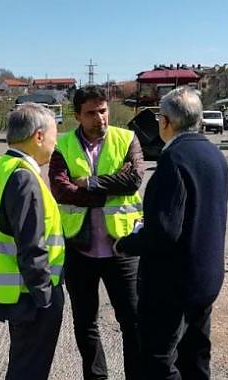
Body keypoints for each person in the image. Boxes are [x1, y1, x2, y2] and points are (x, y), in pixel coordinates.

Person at [115, 86, 228, 380]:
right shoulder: (215, 156)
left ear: (165, 122)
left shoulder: (173, 160)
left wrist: (126, 243)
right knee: (196, 356)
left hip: (173, 285)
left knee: (160, 361)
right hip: (206, 277)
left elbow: (164, 233)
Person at [48, 85, 145, 380]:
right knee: (85, 323)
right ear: (78, 115)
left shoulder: (126, 138)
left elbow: (133, 179)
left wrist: (88, 184)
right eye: (91, 113)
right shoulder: (62, 145)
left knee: (133, 323)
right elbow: (61, 190)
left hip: (123, 248)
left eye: (103, 111)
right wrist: (108, 191)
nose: (100, 118)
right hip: (80, 249)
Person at [0, 103, 65, 380]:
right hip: (32, 296)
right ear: (38, 136)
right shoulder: (24, 177)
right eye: (53, 135)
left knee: (23, 366)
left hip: (17, 292)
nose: (55, 143)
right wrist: (45, 297)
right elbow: (31, 245)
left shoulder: (2, 167)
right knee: (29, 371)